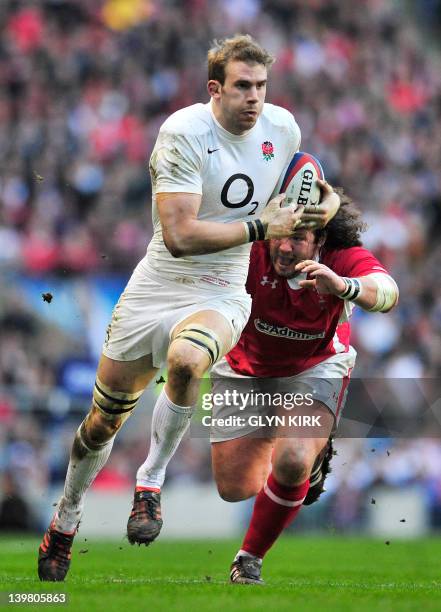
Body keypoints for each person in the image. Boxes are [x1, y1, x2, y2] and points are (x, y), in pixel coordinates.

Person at [37, 34, 340, 582]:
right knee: (100, 425)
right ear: (215, 89)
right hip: (157, 286)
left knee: (186, 361)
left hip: (221, 290)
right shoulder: (182, 132)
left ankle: (149, 485)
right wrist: (258, 227)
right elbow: (178, 236)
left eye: (262, 86)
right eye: (243, 86)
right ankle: (65, 519)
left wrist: (329, 206)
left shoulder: (283, 128)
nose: (255, 98)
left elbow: (315, 185)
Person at [208, 190, 399, 584]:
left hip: (315, 365)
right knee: (234, 487)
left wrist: (344, 286)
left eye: (298, 238)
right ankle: (296, 461)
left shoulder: (342, 258)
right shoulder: (250, 248)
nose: (285, 246)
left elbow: (388, 292)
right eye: (281, 234)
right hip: (245, 368)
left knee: (293, 458)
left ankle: (249, 558)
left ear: (321, 240)